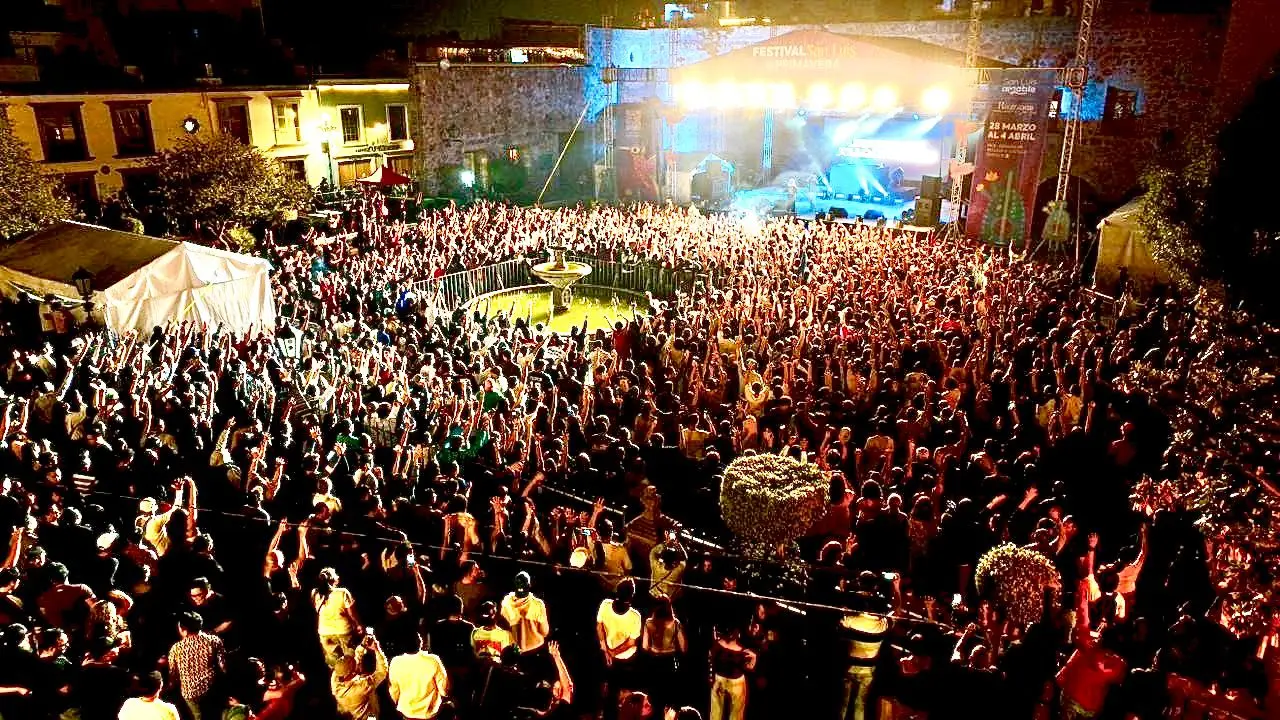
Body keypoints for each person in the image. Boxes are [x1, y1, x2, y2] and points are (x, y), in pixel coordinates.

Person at [167, 611, 225, 720]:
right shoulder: (214, 641)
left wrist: (170, 686)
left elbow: (173, 674)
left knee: (198, 716)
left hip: (190, 693)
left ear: (183, 630)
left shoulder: (176, 648)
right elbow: (223, 667)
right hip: (211, 689)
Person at [598, 578, 643, 713]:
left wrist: (607, 651)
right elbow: (631, 643)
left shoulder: (605, 604)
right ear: (631, 596)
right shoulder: (635, 616)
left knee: (614, 693)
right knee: (619, 694)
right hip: (624, 659)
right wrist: (611, 653)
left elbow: (599, 627)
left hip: (610, 657)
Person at [387, 631, 447, 720]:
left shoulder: (395, 662)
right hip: (429, 713)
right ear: (420, 642)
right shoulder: (433, 660)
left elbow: (394, 691)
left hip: (407, 712)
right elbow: (443, 688)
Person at [331, 632, 388, 720]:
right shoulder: (362, 687)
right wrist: (377, 649)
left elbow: (353, 665)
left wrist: (362, 645)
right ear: (353, 673)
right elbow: (382, 672)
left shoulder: (335, 678)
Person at [313, 567, 362, 667]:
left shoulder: (315, 594)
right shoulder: (343, 592)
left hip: (325, 634)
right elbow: (352, 614)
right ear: (334, 579)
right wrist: (359, 625)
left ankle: (337, 681)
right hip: (343, 632)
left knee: (335, 666)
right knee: (350, 663)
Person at [708, 625, 755, 720]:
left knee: (719, 714)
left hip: (728, 681)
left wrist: (753, 658)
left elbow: (710, 658)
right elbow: (749, 667)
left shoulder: (718, 644)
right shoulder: (720, 645)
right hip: (728, 682)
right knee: (730, 714)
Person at [501, 571, 550, 655]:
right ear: (529, 585)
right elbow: (544, 631)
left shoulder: (506, 602)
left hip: (514, 652)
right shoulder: (537, 604)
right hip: (535, 648)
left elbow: (503, 627)